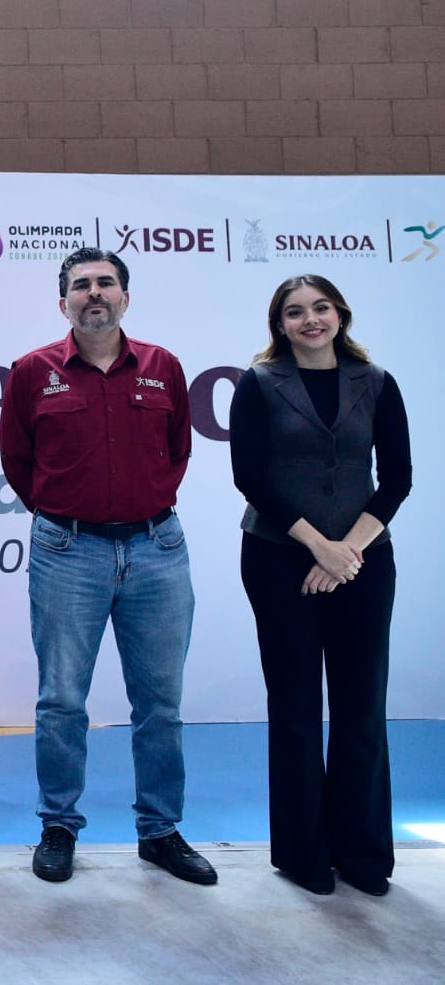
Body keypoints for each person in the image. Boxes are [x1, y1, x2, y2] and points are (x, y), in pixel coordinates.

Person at [0, 246, 215, 886]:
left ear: (125, 296)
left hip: (157, 550)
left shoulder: (162, 366)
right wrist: (66, 515)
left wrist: (143, 507)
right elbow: (18, 460)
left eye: (106, 283)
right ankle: (59, 825)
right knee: (62, 700)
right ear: (62, 301)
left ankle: (160, 831)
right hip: (68, 552)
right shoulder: (32, 371)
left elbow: (178, 451)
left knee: (161, 703)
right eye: (81, 285)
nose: (94, 293)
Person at [229, 276, 411, 897]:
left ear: (340, 315)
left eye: (321, 308)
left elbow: (397, 478)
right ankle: (304, 854)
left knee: (362, 708)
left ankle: (363, 854)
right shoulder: (259, 383)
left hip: (363, 562)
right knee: (297, 708)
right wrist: (319, 548)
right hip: (280, 559)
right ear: (279, 324)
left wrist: (346, 552)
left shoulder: (377, 382)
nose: (310, 320)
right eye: (295, 312)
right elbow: (251, 478)